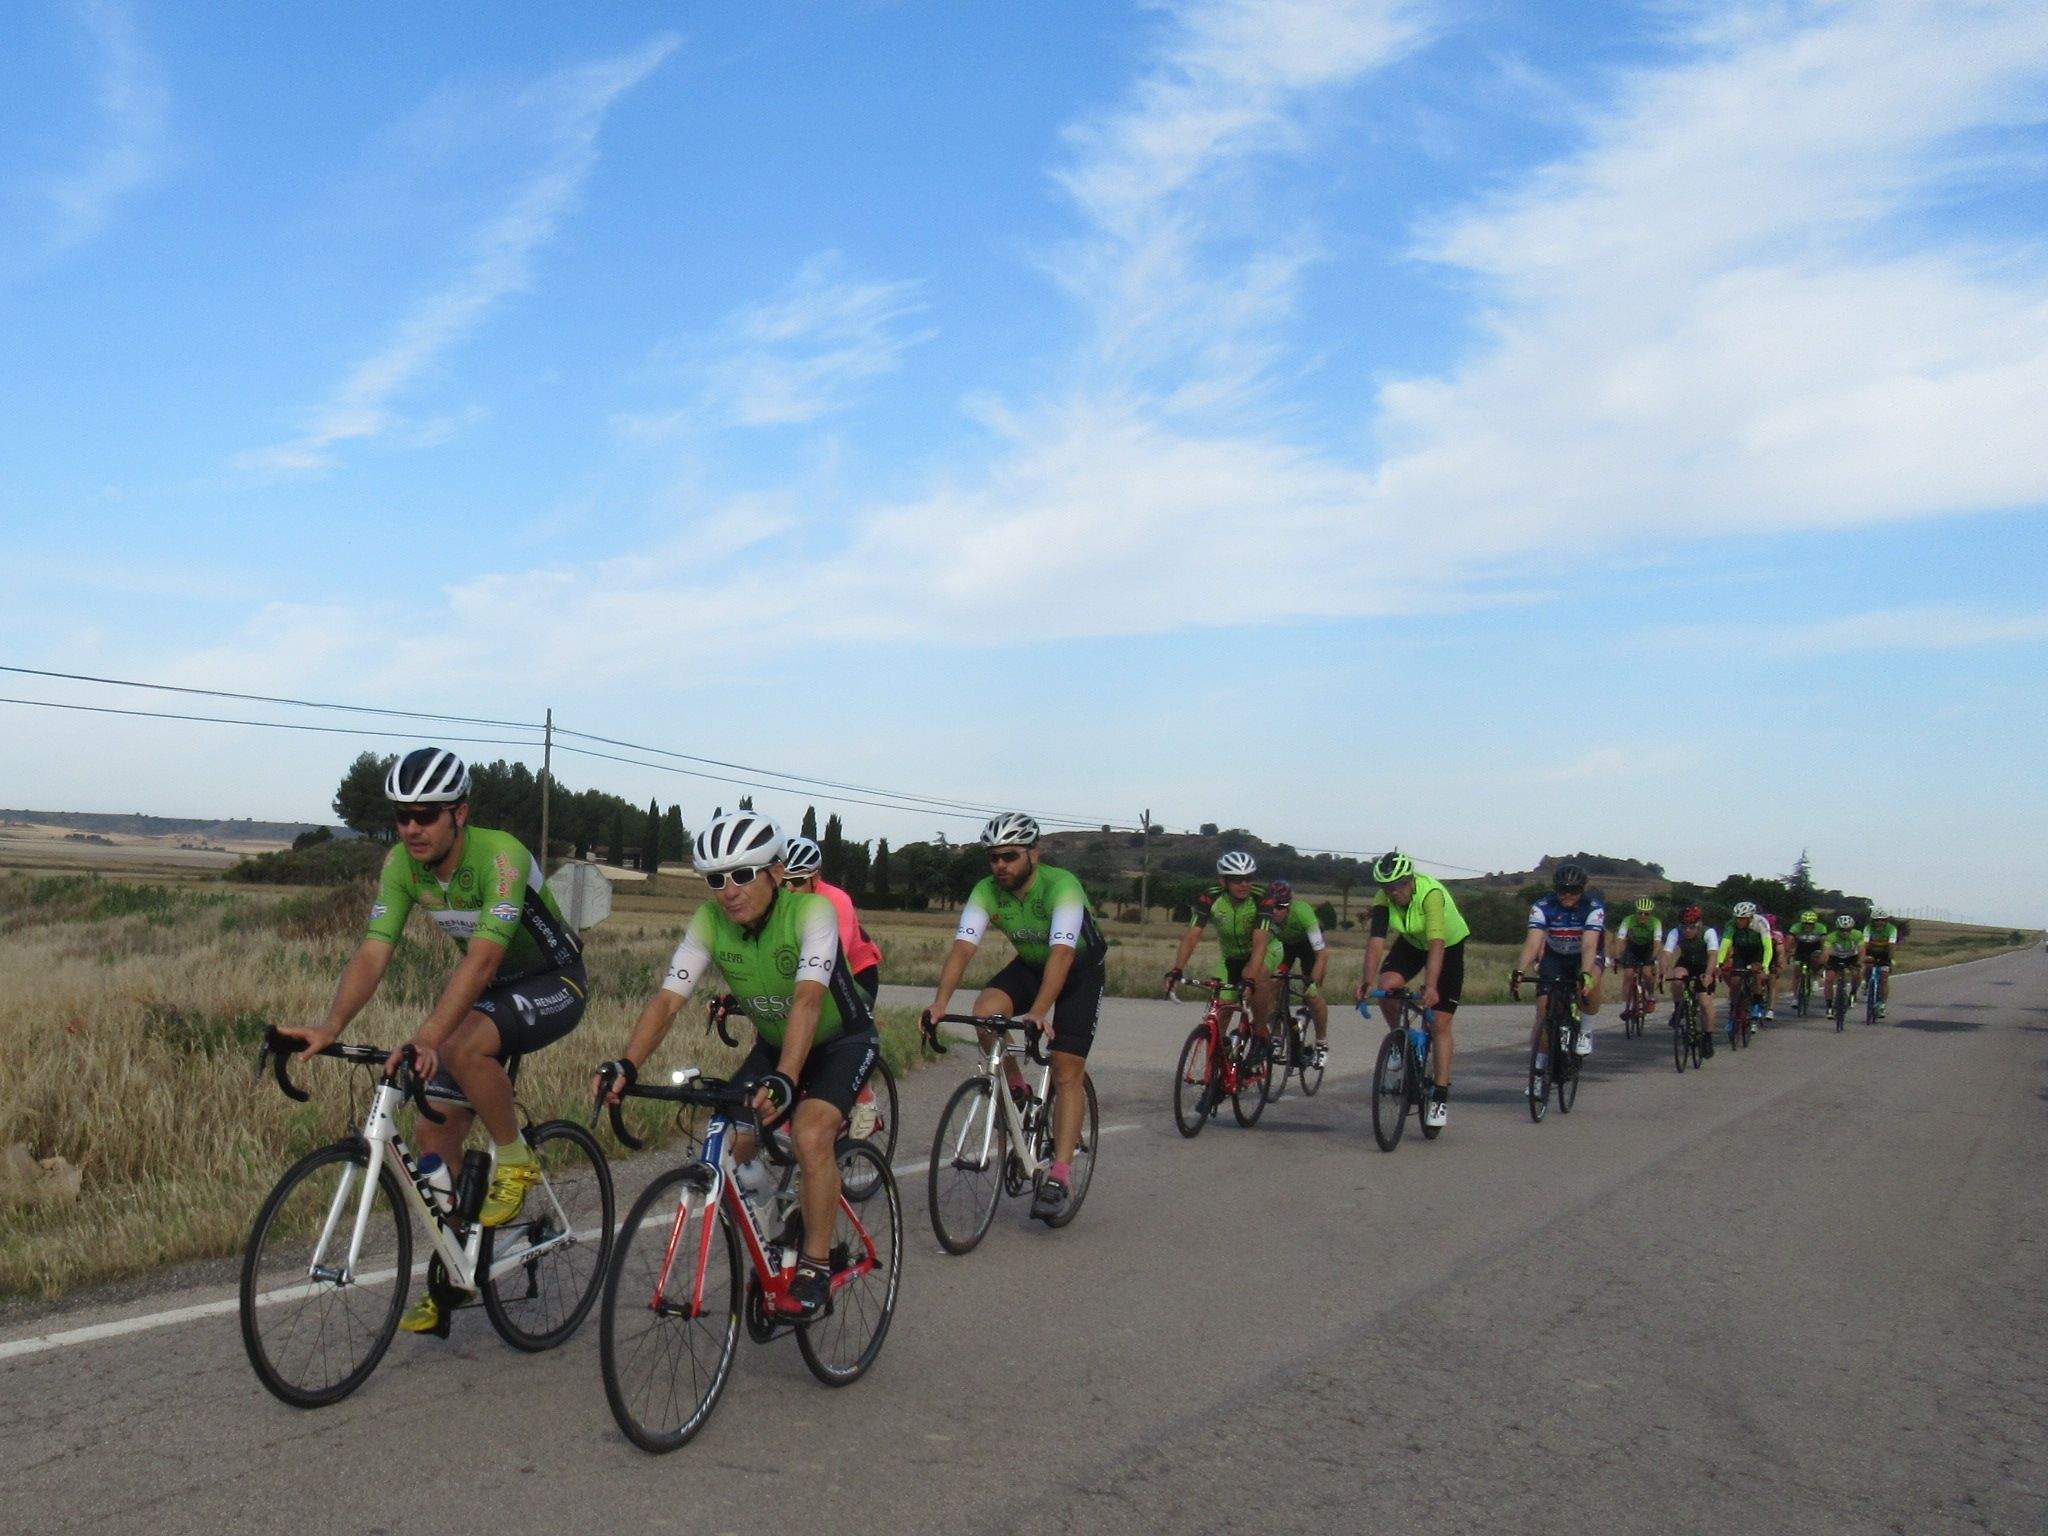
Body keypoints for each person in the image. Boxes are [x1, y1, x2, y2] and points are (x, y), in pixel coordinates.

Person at [279, 747, 587, 1336]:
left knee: (460, 1047)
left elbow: (485, 955)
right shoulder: (402, 866)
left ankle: (517, 1158)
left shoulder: (501, 856)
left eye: (426, 814)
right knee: (431, 1128)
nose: (411, 827)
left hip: (554, 981)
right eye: (401, 815)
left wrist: (426, 1036)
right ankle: (455, 1271)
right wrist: (330, 1026)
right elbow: (374, 951)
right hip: (491, 994)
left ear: (460, 814)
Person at [599, 812, 878, 1320]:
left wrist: (787, 1080)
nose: (728, 890)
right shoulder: (709, 921)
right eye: (716, 879)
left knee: (813, 1135)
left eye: (743, 874)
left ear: (774, 871)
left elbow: (809, 1001)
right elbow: (667, 1001)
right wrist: (627, 1063)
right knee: (727, 1132)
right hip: (776, 1044)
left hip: (842, 1040)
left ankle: (815, 1265)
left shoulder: (811, 912)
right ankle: (776, 1222)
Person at [923, 813, 1107, 1223]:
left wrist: (1039, 1013)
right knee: (986, 1014)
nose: (1000, 865)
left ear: (1033, 854)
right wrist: (939, 1003)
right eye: (993, 858)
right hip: (1031, 965)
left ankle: (1059, 1173)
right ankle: (1017, 1087)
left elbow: (1062, 954)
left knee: (1065, 1068)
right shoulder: (987, 891)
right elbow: (963, 948)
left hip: (1078, 971)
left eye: (1009, 856)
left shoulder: (1062, 887)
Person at [1358, 851, 1469, 1130]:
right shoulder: (1383, 899)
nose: (1394, 892)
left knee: (1440, 1023)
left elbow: (1437, 943)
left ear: (1410, 879)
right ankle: (1400, 1041)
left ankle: (1440, 1096)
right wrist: (1366, 981)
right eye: (1388, 887)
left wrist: (1431, 987)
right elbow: (1375, 941)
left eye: (1399, 885)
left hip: (1447, 946)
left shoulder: (1430, 893)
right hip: (1411, 944)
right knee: (1387, 988)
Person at [1512, 862, 1605, 1090]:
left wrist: (1584, 974)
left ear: (1582, 890)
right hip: (1555, 955)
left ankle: (1585, 1028)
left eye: (1573, 890)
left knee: (1589, 985)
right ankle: (1537, 1074)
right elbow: (1533, 942)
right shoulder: (1543, 906)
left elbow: (1589, 945)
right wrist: (1520, 970)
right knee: (1543, 1012)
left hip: (1583, 955)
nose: (1567, 895)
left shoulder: (1593, 907)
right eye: (1562, 889)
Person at [1166, 852, 1272, 1041]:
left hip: (1264, 952)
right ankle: (1217, 1064)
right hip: (1230, 957)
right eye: (1237, 879)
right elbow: (1191, 936)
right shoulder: (1210, 897)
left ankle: (1262, 1033)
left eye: (1249, 878)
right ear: (1223, 881)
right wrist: (1177, 969)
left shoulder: (1261, 898)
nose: (1245, 884)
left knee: (1254, 977)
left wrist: (1250, 980)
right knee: (1221, 1009)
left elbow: (1260, 943)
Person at [780, 835, 883, 1002]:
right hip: (809, 965)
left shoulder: (836, 901)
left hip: (856, 972)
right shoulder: (780, 899)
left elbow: (835, 956)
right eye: (783, 881)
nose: (789, 888)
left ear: (816, 877)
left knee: (837, 1026)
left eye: (797, 880)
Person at [1261, 879, 1330, 1066]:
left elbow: (1321, 955)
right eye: (1272, 906)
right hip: (1287, 950)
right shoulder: (1265, 915)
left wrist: (1313, 984)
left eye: (1281, 906)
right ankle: (1276, 1036)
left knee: (1313, 997)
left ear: (1289, 905)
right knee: (1268, 990)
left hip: (1310, 950)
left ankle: (1322, 1043)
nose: (1275, 910)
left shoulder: (1302, 912)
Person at [1663, 905, 1719, 1056]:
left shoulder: (1708, 932)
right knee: (1677, 978)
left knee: (1705, 1003)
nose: (1687, 930)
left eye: (1692, 927)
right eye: (1684, 927)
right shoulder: (1676, 932)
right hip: (1686, 963)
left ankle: (1708, 1038)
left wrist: (1708, 975)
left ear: (1699, 924)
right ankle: (1678, 1009)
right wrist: (1663, 970)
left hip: (1704, 965)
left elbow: (1713, 955)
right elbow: (1667, 953)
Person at [1716, 901, 1775, 1041]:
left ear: (1750, 918)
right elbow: (1725, 945)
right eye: (1737, 918)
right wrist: (1719, 963)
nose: (1739, 921)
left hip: (1757, 952)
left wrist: (1765, 966)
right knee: (1735, 980)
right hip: (1741, 952)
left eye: (1742, 918)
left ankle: (1757, 1002)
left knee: (1756, 974)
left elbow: (1768, 947)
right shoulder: (1731, 925)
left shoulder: (1761, 923)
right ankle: (1733, 1011)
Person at [1612, 897, 1663, 1020]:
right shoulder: (1628, 920)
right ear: (1636, 912)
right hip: (1633, 947)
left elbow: (1657, 944)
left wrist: (1654, 958)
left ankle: (1650, 997)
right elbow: (1620, 939)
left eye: (1646, 914)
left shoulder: (1655, 922)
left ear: (1650, 914)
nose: (1643, 916)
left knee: (1647, 973)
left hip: (1648, 948)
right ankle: (1627, 1007)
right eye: (1640, 913)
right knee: (1628, 975)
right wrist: (1617, 956)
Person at [1861, 908, 1902, 1017]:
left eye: (1882, 920)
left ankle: (1882, 1005)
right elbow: (1864, 945)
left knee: (1884, 978)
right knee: (1868, 966)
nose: (1879, 922)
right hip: (1871, 952)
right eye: (1876, 920)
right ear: (1872, 921)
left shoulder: (1891, 929)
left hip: (1885, 953)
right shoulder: (1868, 928)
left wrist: (1890, 959)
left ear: (1886, 921)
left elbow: (1892, 946)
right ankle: (1866, 982)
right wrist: (1863, 957)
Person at [1822, 914, 1864, 1014]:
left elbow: (1862, 951)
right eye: (1842, 930)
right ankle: (1829, 1006)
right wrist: (1824, 963)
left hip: (1851, 957)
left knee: (1857, 974)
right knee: (1829, 979)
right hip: (1835, 957)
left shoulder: (1857, 935)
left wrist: (1860, 963)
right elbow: (1826, 952)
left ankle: (1853, 993)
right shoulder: (1831, 936)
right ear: (1837, 929)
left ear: (1851, 929)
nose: (1845, 932)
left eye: (1848, 930)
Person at [1785, 909, 1828, 1006]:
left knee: (1816, 960)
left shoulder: (1821, 928)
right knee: (1797, 972)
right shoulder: (1796, 927)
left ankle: (1815, 977)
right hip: (1801, 948)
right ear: (1802, 923)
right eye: (1805, 923)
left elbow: (1824, 942)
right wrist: (1788, 952)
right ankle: (1795, 998)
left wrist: (1823, 954)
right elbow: (1790, 940)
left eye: (1811, 924)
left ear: (1815, 923)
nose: (1808, 926)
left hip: (1815, 948)